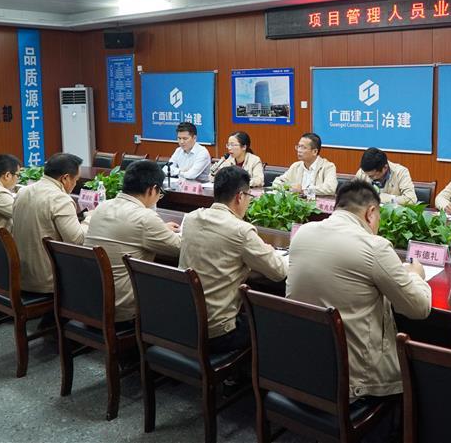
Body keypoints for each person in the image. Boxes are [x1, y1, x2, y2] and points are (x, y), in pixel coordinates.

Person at [288, 179, 431, 398]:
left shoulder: (302, 233)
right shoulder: (374, 246)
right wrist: (416, 276)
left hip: (301, 363)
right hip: (355, 380)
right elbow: (419, 308)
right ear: (371, 213)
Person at [179, 166, 286, 353]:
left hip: (184, 322)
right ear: (240, 196)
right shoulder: (241, 230)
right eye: (249, 196)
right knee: (276, 323)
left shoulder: (191, 218)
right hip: (218, 334)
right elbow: (279, 272)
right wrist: (270, 252)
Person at [85, 160, 181, 322]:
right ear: (153, 189)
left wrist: (161, 229)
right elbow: (180, 248)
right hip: (122, 307)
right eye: (160, 193)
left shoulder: (103, 206)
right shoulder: (144, 217)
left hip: (91, 300)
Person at [11, 153, 87, 294]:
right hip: (48, 280)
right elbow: (76, 241)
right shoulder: (60, 199)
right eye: (76, 180)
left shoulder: (23, 191)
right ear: (65, 178)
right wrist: (89, 220)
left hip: (19, 274)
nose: (75, 184)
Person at [271, 132, 337, 196]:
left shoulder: (328, 167)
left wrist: (304, 190)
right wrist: (289, 187)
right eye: (299, 146)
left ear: (315, 151)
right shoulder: (296, 166)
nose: (299, 150)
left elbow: (330, 188)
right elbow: (276, 182)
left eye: (303, 147)